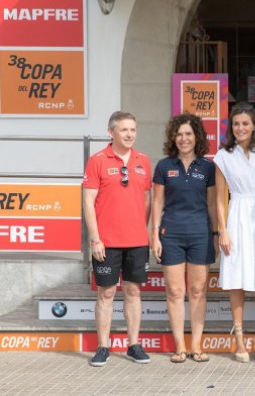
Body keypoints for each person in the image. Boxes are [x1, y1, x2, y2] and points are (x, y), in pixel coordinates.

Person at [83, 111, 152, 367]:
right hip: (106, 242)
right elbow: (88, 203)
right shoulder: (97, 160)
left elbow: (146, 200)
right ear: (111, 132)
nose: (130, 134)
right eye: (124, 130)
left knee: (133, 291)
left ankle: (134, 345)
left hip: (137, 241)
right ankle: (103, 347)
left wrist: (140, 230)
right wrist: (95, 239)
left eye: (133, 129)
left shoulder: (143, 160)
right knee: (106, 293)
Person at [151, 113, 218, 364]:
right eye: (179, 134)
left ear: (196, 136)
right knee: (175, 291)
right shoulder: (163, 166)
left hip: (200, 233)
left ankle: (197, 345)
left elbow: (212, 205)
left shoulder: (208, 167)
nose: (183, 138)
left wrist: (215, 234)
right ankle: (180, 346)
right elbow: (157, 203)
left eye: (188, 134)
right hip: (171, 235)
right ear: (173, 137)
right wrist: (155, 235)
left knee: (199, 290)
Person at [214, 102, 255, 363]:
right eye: (236, 124)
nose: (241, 128)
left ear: (254, 127)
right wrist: (223, 231)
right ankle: (239, 339)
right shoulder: (223, 155)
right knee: (237, 277)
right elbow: (219, 197)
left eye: (245, 124)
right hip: (237, 216)